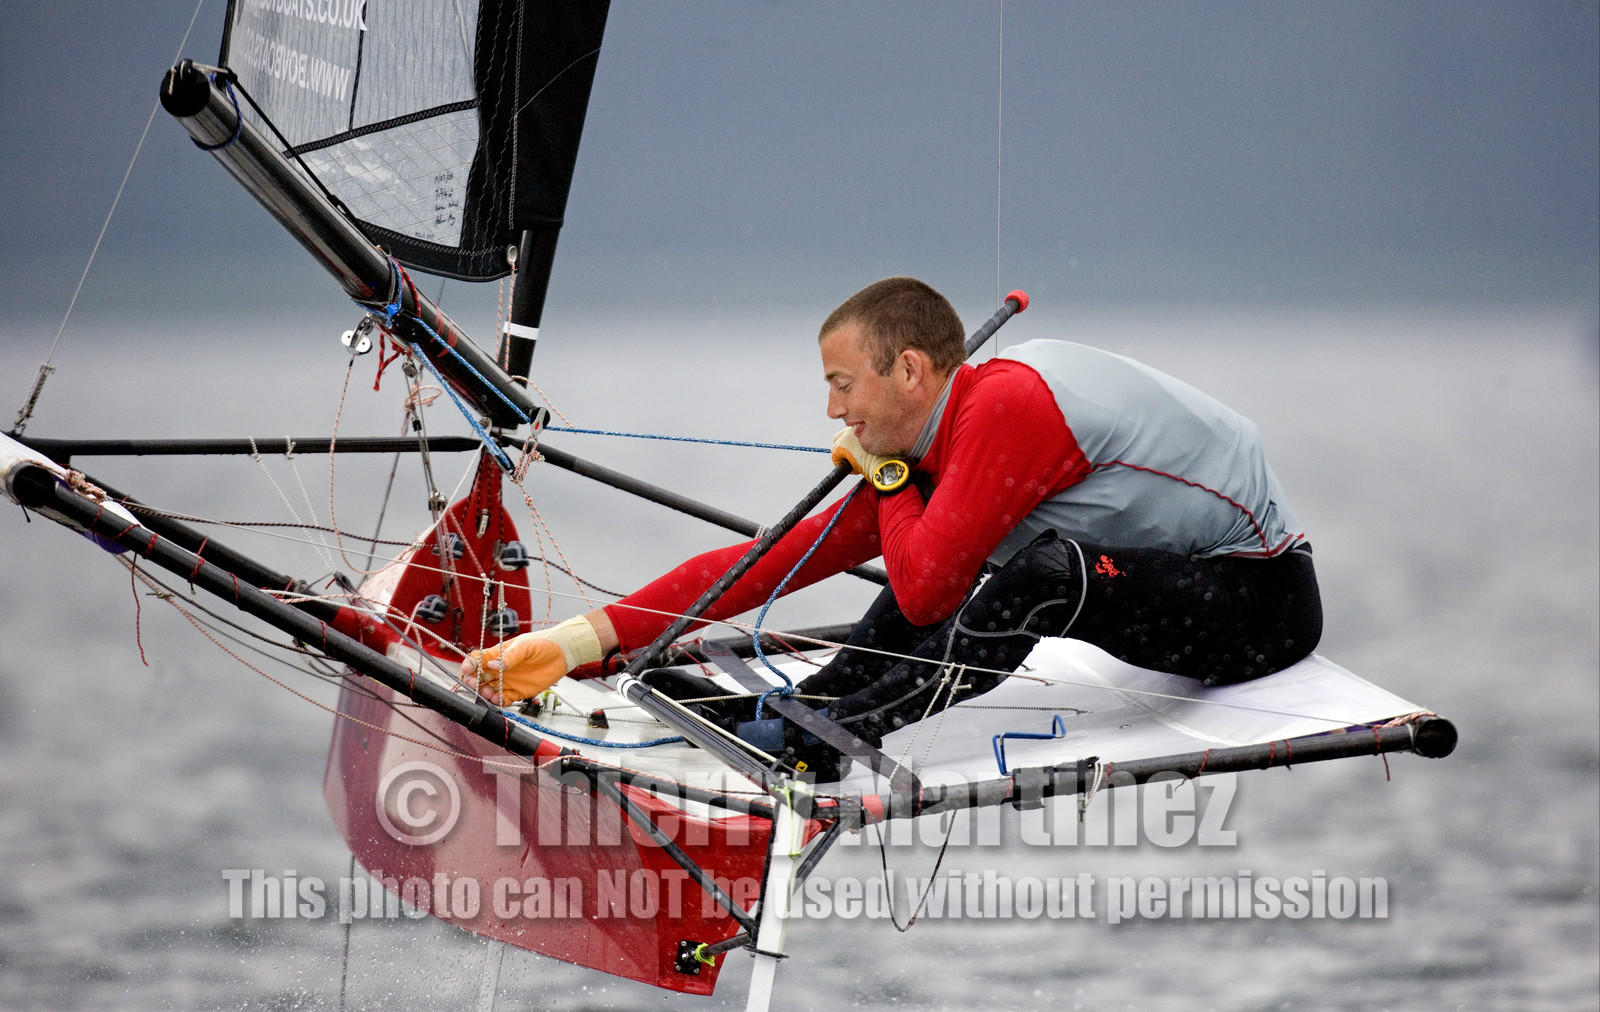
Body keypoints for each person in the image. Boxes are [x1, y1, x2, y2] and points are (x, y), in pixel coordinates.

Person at [464, 277, 1322, 779]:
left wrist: (887, 478)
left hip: (1259, 603)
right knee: (950, 552)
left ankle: (827, 735)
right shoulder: (934, 438)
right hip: (1162, 590)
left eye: (843, 385)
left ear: (910, 370)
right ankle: (814, 706)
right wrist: (574, 642)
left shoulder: (1005, 408)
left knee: (1030, 572)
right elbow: (770, 561)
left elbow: (926, 593)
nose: (833, 411)